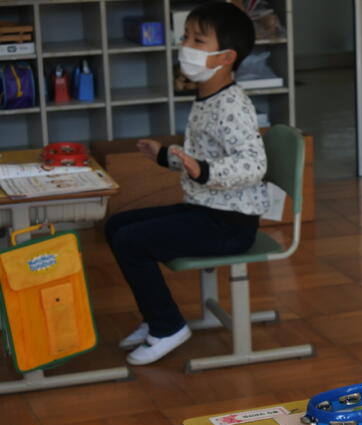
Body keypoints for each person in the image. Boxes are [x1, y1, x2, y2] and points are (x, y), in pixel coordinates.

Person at [105, 2, 267, 365]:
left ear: (226, 57)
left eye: (198, 40)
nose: (186, 46)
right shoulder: (207, 97)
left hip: (230, 224)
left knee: (131, 240)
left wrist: (204, 172)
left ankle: (168, 327)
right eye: (186, 37)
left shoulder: (232, 105)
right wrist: (165, 155)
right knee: (116, 226)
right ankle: (155, 316)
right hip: (206, 208)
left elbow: (253, 164)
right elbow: (201, 157)